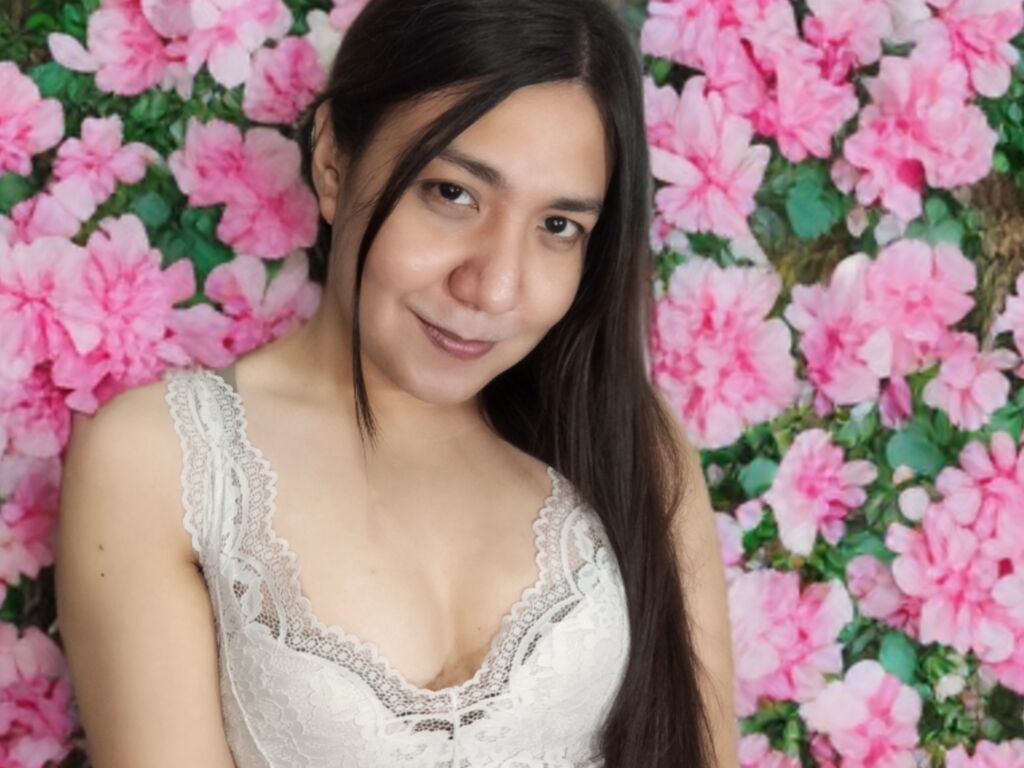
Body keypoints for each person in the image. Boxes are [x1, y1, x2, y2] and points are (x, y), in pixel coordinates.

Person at [55, 0, 738, 766]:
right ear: (332, 161)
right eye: (452, 193)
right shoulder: (165, 461)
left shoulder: (625, 440)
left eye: (558, 227)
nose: (494, 288)